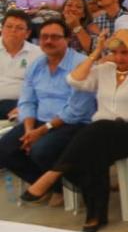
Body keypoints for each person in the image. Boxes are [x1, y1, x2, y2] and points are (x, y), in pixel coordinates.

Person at [20, 30, 128, 232]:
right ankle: (95, 215)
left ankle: (53, 174)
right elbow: (74, 80)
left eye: (125, 52)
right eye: (116, 52)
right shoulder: (106, 70)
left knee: (96, 131)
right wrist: (97, 53)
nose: (120, 57)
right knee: (92, 154)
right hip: (101, 134)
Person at [0, 19, 95, 200]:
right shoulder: (37, 64)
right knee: (5, 149)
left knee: (41, 150)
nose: (48, 41)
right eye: (44, 37)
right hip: (39, 120)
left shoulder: (80, 64)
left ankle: (75, 186)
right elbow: (27, 100)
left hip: (72, 124)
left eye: (55, 37)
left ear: (67, 39)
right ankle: (54, 188)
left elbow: (77, 110)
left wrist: (42, 131)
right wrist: (29, 130)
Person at [0, 12, 41, 118]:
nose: (13, 31)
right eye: (9, 26)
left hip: (20, 104)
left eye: (19, 28)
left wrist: (27, 105)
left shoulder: (39, 54)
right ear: (2, 29)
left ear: (27, 33)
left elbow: (44, 86)